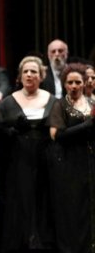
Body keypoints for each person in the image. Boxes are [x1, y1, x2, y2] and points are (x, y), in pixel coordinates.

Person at [0, 56, 56, 252]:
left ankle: (43, 242)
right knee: (21, 198)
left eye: (34, 71)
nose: (29, 75)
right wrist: (12, 130)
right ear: (20, 76)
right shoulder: (7, 103)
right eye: (26, 71)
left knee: (44, 198)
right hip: (18, 159)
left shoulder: (53, 101)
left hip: (46, 160)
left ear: (41, 76)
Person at [47, 63, 95, 252]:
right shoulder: (60, 105)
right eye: (70, 82)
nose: (74, 86)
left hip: (90, 160)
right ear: (64, 84)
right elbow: (56, 135)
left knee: (89, 204)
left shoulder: (92, 103)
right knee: (72, 205)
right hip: (68, 161)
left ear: (84, 83)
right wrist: (86, 125)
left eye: (78, 82)